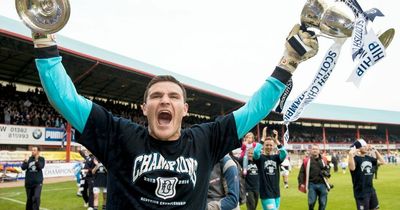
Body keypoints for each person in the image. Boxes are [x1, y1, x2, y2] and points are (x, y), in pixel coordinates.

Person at [31, 22, 318, 209]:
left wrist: (288, 63)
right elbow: (65, 99)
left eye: (173, 96)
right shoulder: (119, 135)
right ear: (144, 108)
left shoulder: (205, 139)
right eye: (155, 96)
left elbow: (254, 110)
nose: (164, 100)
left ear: (184, 109)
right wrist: (45, 40)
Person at [251, 130, 287, 210]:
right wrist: (262, 139)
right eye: (267, 145)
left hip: (276, 192)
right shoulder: (260, 158)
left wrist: (276, 141)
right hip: (265, 192)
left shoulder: (276, 158)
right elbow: (256, 152)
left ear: (273, 146)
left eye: (271, 145)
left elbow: (284, 153)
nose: (269, 147)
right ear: (263, 146)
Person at [348, 139, 385, 210]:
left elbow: (383, 162)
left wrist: (375, 150)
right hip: (361, 192)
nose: (366, 147)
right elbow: (352, 168)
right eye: (363, 146)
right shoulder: (355, 159)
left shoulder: (369, 158)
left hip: (371, 190)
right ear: (358, 148)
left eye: (366, 146)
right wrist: (351, 154)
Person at [297, 144, 330, 210]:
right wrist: (301, 183)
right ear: (311, 151)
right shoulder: (306, 161)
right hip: (312, 184)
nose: (315, 150)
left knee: (323, 203)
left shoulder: (324, 159)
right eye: (313, 149)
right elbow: (301, 172)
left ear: (319, 151)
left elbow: (328, 169)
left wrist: (327, 172)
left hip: (323, 184)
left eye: (316, 149)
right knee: (311, 203)